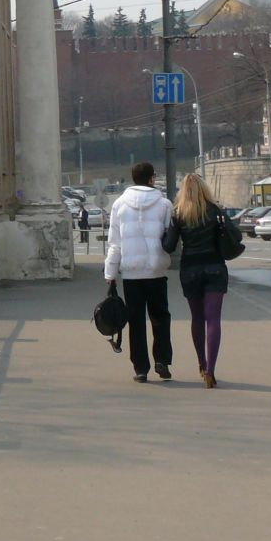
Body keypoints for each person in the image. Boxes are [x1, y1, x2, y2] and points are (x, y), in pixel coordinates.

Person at [103, 161, 174, 382]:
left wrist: (110, 273)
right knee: (160, 316)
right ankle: (162, 360)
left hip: (132, 274)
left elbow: (115, 243)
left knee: (136, 320)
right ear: (152, 178)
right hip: (156, 270)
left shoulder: (119, 205)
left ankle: (141, 369)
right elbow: (169, 238)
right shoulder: (164, 204)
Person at [162, 172, 229, 388]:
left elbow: (169, 246)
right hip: (215, 268)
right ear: (204, 188)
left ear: (184, 190)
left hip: (190, 269)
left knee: (197, 319)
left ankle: (202, 364)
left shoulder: (179, 213)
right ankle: (211, 370)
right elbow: (231, 235)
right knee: (214, 319)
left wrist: (162, 234)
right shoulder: (216, 210)